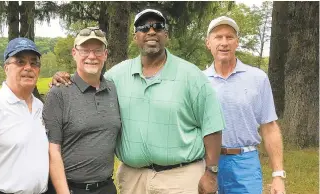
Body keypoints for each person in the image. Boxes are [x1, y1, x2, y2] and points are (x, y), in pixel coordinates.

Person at [51, 9, 225, 194]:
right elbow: (89, 80)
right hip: (133, 180)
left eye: (158, 27)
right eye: (144, 27)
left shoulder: (192, 75)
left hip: (181, 178)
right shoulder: (116, 76)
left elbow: (212, 126)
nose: (151, 32)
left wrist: (211, 171)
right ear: (135, 37)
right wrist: (63, 77)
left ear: (166, 35)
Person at [203, 16, 286, 194]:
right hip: (207, 163)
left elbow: (269, 127)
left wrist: (278, 174)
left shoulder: (257, 78)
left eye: (229, 37)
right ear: (208, 43)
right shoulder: (198, 80)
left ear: (237, 42)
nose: (224, 43)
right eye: (218, 37)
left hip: (245, 163)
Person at [43, 27, 121, 194]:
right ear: (74, 53)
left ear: (105, 54)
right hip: (70, 189)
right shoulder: (59, 92)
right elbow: (52, 150)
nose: (91, 56)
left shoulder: (113, 89)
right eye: (85, 50)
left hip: (106, 187)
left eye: (98, 51)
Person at [0, 37, 49, 194]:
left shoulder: (41, 107)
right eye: (20, 62)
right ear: (6, 68)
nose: (28, 68)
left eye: (34, 63)